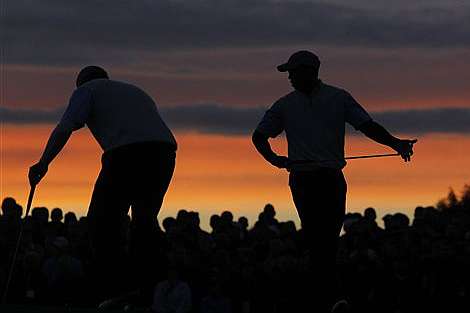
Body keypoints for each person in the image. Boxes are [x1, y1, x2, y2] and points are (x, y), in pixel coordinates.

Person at [251, 50, 417, 312]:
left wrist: (395, 143)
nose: (290, 78)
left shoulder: (337, 98)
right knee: (320, 240)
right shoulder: (285, 104)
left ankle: (328, 298)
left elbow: (367, 125)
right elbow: (258, 137)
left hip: (326, 179)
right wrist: (276, 160)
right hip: (307, 180)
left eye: (293, 72)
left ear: (308, 71)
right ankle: (332, 298)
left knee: (324, 240)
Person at [28, 66, 177, 302]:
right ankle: (148, 286)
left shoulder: (86, 91)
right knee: (144, 221)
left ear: (81, 83)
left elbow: (65, 127)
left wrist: (43, 163)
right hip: (164, 152)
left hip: (126, 153)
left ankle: (115, 285)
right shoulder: (135, 91)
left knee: (102, 220)